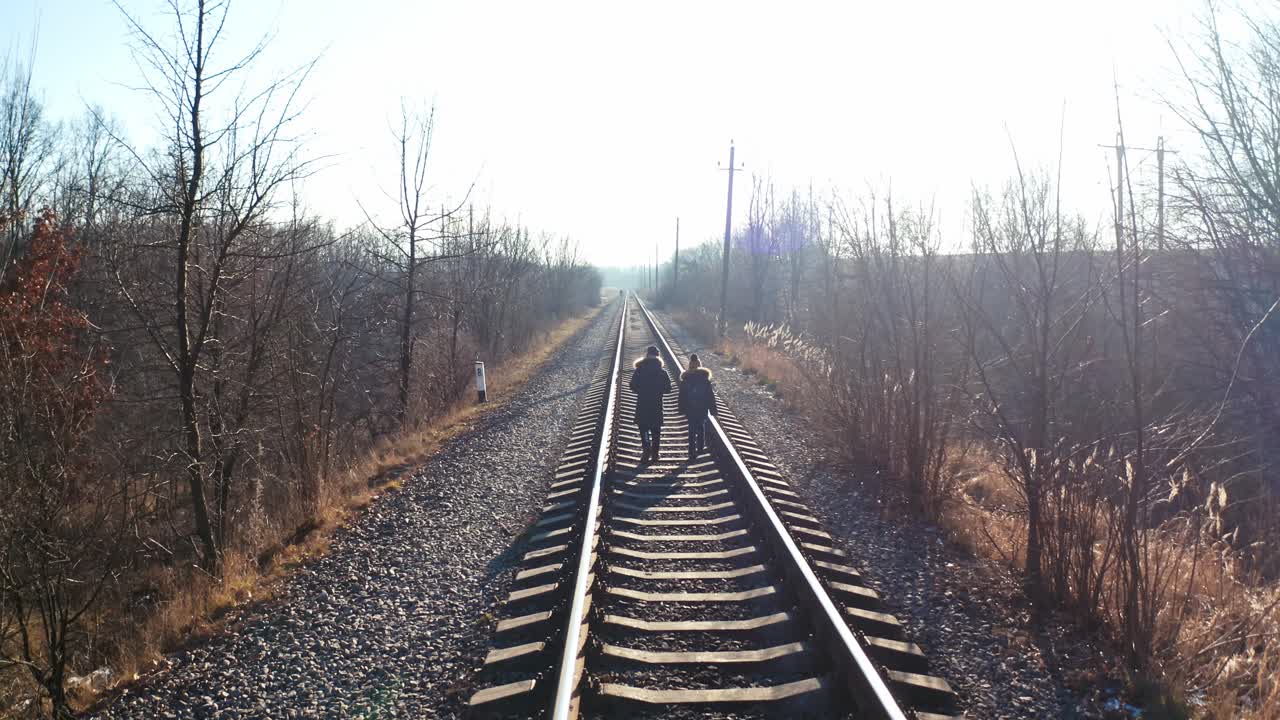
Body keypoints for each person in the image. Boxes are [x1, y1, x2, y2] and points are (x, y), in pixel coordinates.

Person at [629, 345, 671, 462]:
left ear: (647, 355)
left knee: (644, 429)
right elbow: (668, 389)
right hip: (656, 404)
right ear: (658, 356)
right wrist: (658, 391)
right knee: (656, 430)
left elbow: (632, 385)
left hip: (642, 403)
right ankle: (655, 454)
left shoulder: (639, 370)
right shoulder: (662, 372)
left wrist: (641, 391)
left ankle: (646, 451)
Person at [677, 353, 717, 457]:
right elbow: (710, 396)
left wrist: (681, 409)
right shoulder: (705, 379)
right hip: (702, 408)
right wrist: (713, 410)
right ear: (700, 366)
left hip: (690, 408)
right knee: (701, 427)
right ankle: (699, 449)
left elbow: (682, 396)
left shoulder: (686, 379)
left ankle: (691, 451)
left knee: (691, 429)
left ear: (689, 366)